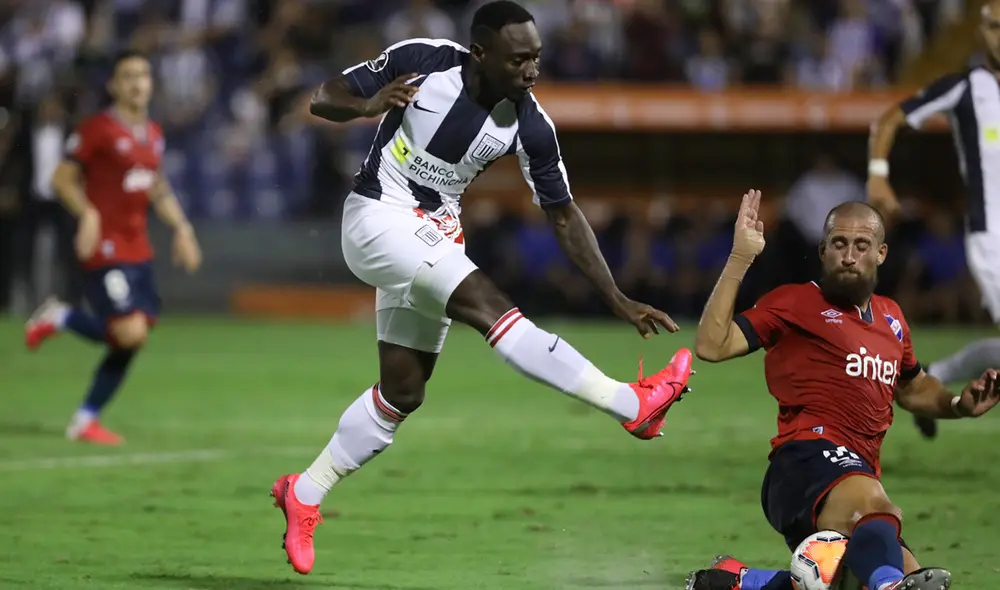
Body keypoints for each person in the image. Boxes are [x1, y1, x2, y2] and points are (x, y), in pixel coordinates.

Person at [270, 0, 694, 576]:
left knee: (402, 393)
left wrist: (615, 295)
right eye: (519, 59)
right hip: (375, 218)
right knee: (495, 310)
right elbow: (322, 96)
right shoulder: (422, 61)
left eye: (537, 58)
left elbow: (564, 214)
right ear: (481, 53)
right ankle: (633, 404)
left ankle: (306, 492)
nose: (531, 70)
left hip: (433, 233)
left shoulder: (532, 123)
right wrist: (369, 105)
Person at [685, 193, 998, 590]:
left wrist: (958, 405)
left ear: (881, 253)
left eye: (861, 245)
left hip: (854, 476)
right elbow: (712, 344)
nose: (849, 255)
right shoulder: (795, 302)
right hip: (803, 462)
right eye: (839, 244)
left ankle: (737, 582)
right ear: (823, 250)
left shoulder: (892, 317)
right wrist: (739, 258)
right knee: (879, 520)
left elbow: (913, 386)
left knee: (863, 577)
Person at [23, 50, 202, 445]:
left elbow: (156, 187)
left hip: (138, 248)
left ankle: (85, 420)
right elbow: (61, 178)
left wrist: (182, 228)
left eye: (144, 75)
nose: (138, 83)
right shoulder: (97, 130)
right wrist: (87, 214)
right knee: (129, 333)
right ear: (114, 85)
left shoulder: (153, 134)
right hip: (104, 247)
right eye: (128, 76)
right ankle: (61, 316)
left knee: (130, 338)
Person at [868, 0, 1000, 440]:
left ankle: (934, 376)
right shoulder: (967, 87)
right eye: (994, 27)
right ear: (982, 32)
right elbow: (890, 119)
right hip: (992, 237)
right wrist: (879, 176)